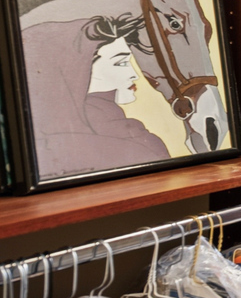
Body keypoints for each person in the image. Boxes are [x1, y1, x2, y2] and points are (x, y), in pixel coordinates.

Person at [23, 14, 171, 180]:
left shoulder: (121, 129)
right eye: (121, 63)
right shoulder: (71, 142)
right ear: (79, 68)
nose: (134, 74)